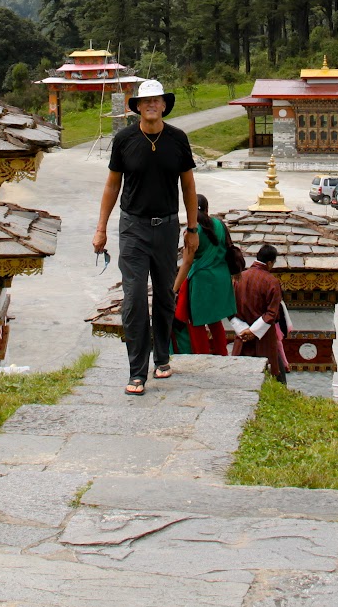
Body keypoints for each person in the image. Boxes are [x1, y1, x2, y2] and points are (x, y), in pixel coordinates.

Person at [94, 79, 198, 396]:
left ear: (164, 105)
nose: (151, 105)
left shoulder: (177, 139)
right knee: (135, 297)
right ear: (138, 107)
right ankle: (137, 371)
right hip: (133, 228)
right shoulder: (124, 140)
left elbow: (188, 186)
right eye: (145, 101)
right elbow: (112, 185)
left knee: (165, 294)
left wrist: (192, 229)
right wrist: (101, 228)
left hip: (166, 227)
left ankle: (162, 357)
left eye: (156, 100)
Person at [172, 195, 237, 355]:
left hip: (202, 281)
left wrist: (174, 289)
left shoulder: (192, 232)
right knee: (215, 320)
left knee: (197, 322)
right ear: (207, 209)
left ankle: (202, 356)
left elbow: (187, 263)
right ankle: (223, 353)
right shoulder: (219, 224)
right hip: (221, 279)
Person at [230, 244, 287, 384]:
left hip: (242, 337)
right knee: (267, 379)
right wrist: (253, 331)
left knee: (240, 379)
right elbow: (272, 313)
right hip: (264, 339)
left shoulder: (238, 278)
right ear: (269, 263)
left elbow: (229, 309)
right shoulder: (272, 282)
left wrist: (244, 330)